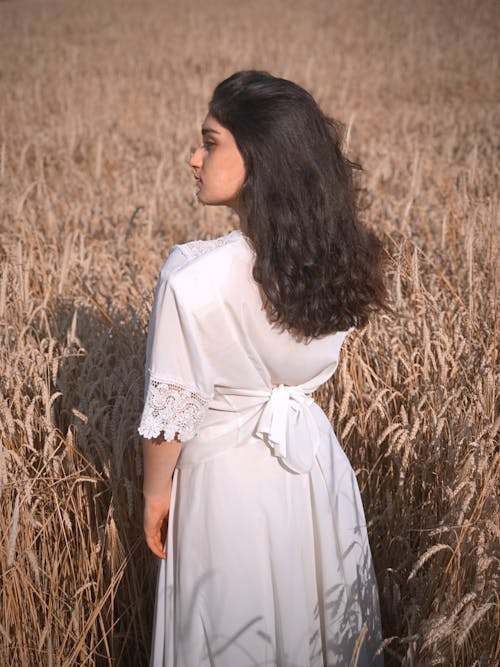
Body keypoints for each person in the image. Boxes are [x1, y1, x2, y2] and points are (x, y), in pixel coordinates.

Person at [138, 70, 387, 667]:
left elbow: (172, 410)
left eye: (211, 141)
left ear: (260, 157)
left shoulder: (191, 276)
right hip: (314, 474)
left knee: (231, 636)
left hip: (226, 488)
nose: (193, 157)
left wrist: (154, 497)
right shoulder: (342, 260)